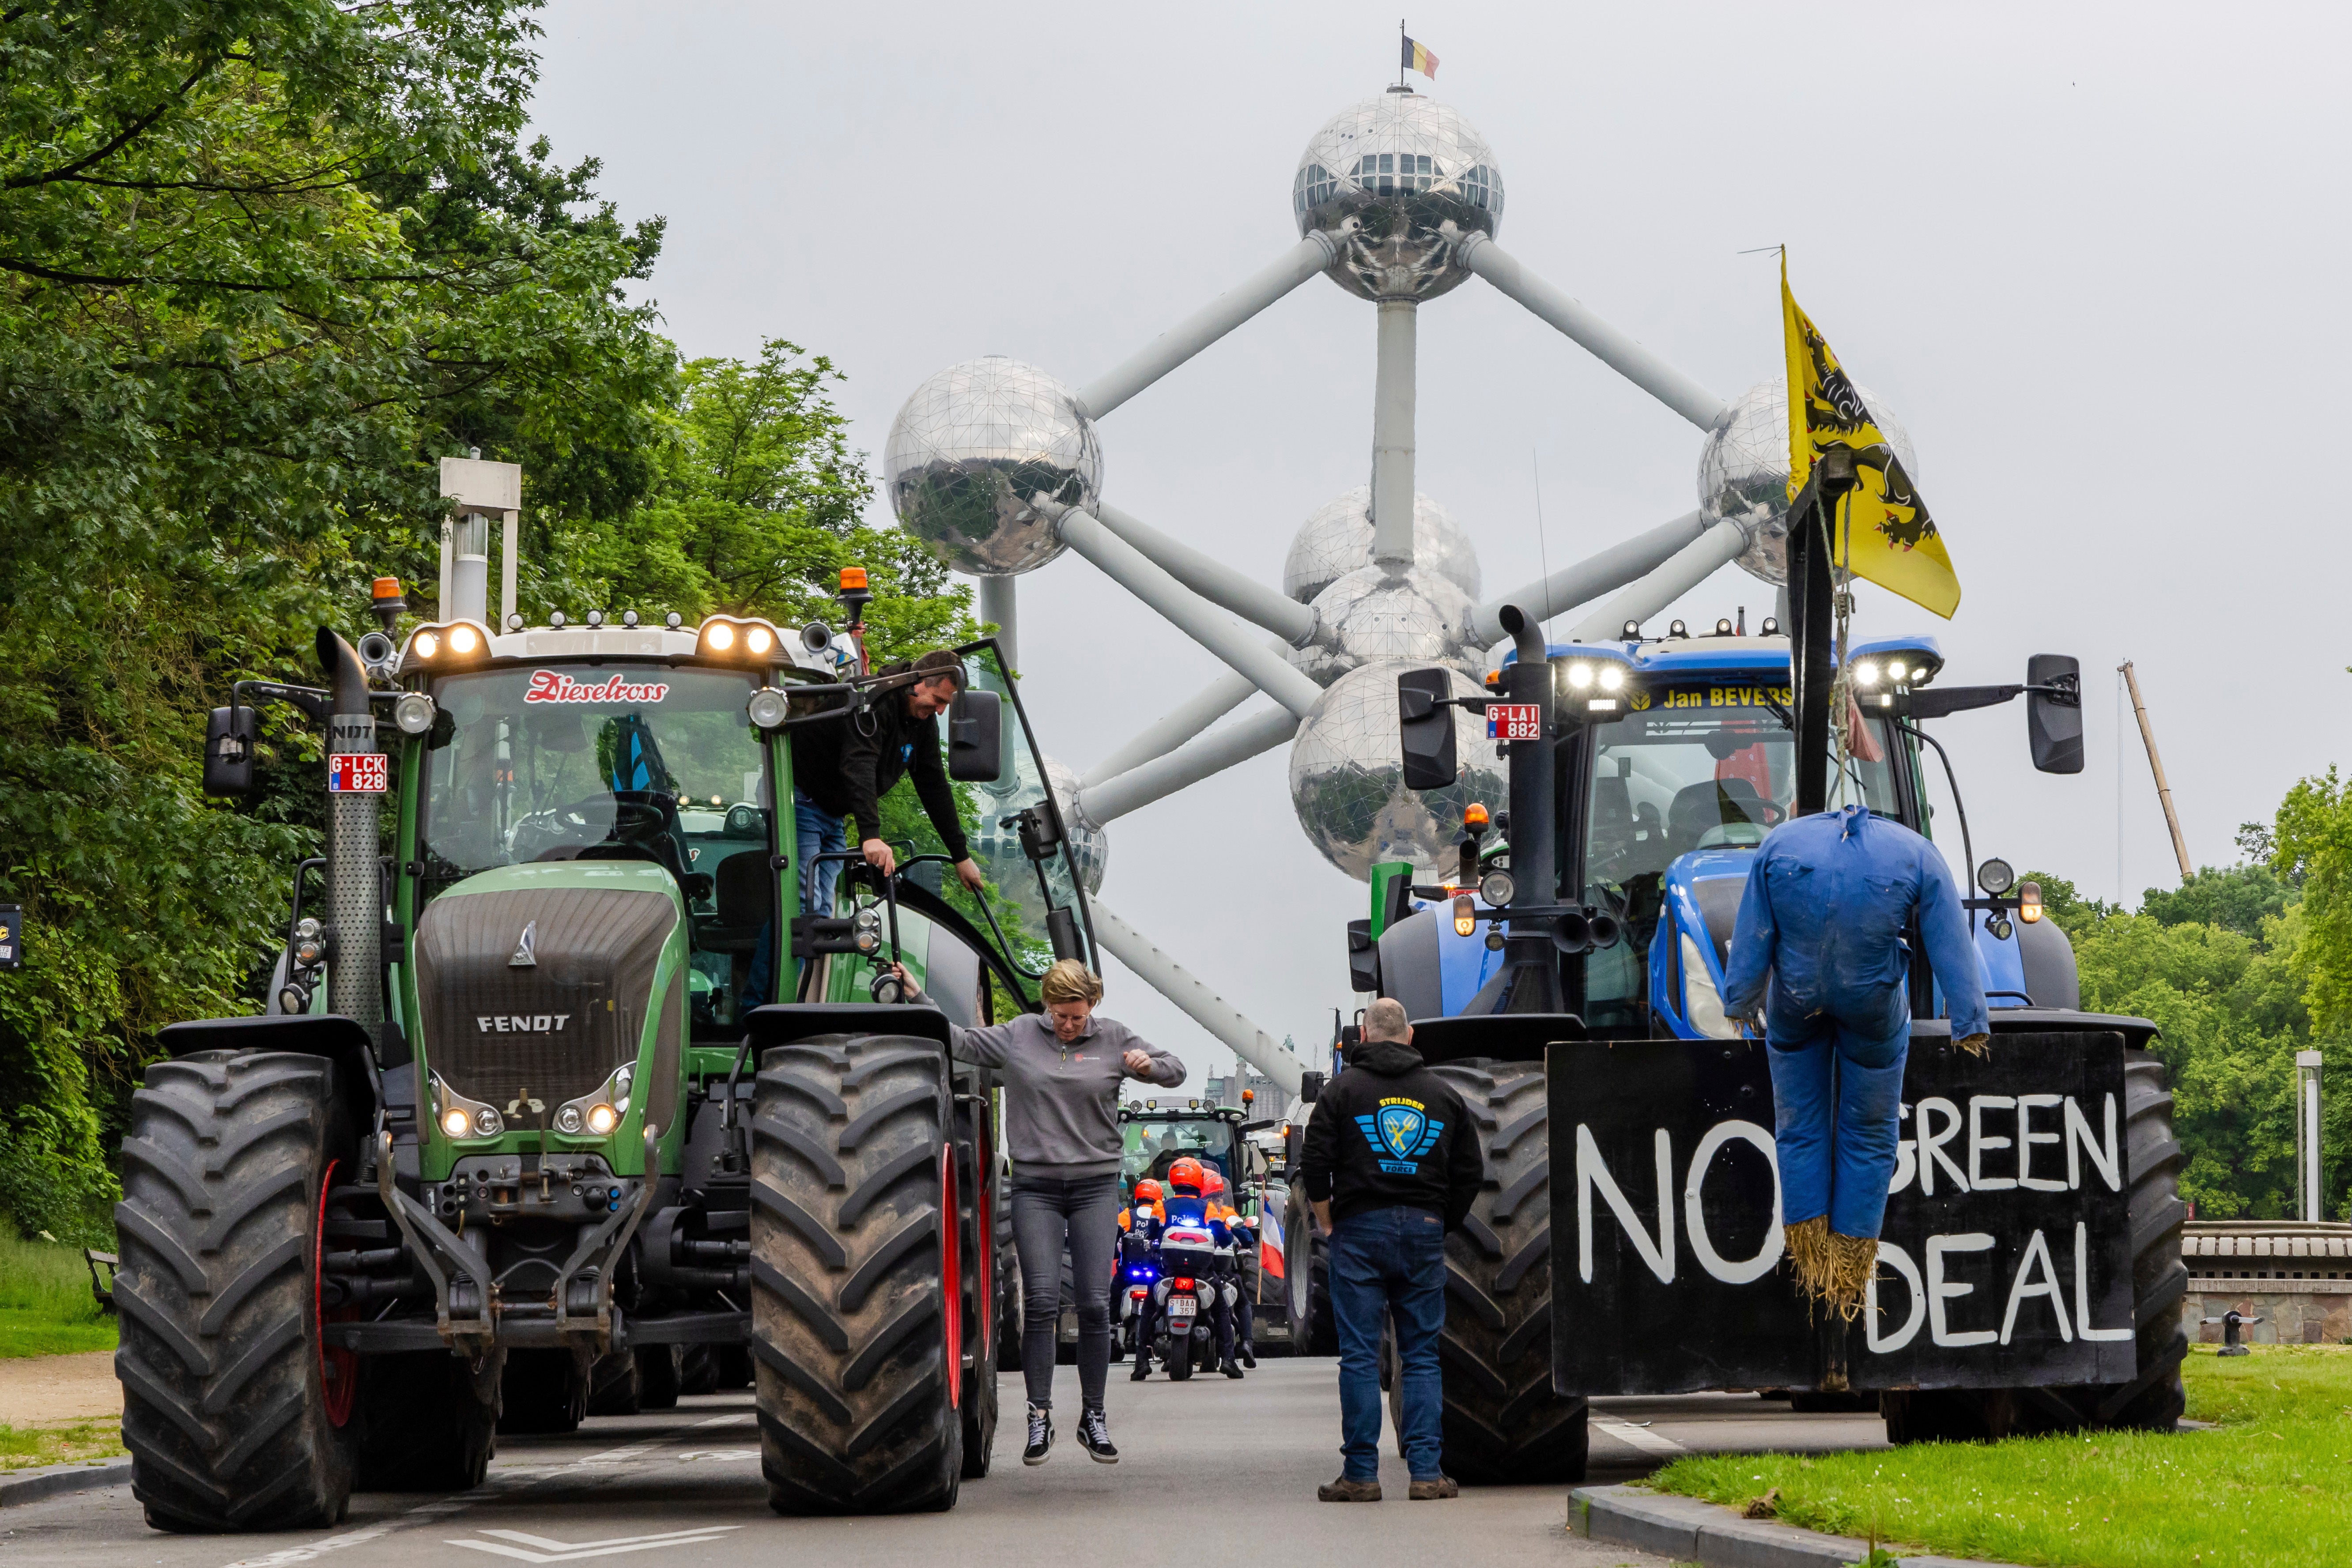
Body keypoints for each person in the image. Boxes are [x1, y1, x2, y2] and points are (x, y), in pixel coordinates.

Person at [892, 957, 1185, 1464]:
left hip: (1095, 1186)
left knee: (1094, 1303)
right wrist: (919, 995)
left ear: (1092, 1006)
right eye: (1057, 1013)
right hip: (1036, 1188)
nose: (1066, 1024)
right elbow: (959, 1040)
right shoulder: (1020, 1034)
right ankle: (1038, 1415)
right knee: (1043, 1300)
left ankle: (1093, 1415)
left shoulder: (1113, 1037)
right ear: (1046, 1003)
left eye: (1075, 1015)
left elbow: (1175, 1070)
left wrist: (1148, 1067)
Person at [1720, 800, 1989, 1315]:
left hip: (1795, 1001)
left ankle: (1808, 1253)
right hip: (1871, 1005)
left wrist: (1739, 1000)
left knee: (1798, 1125)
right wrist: (1969, 1022)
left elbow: (1755, 930)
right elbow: (1948, 938)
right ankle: (1847, 1266)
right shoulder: (1917, 852)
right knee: (1867, 1130)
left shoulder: (1778, 844)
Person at [1299, 997, 1482, 1502]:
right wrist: (1441, 1220)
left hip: (1357, 1229)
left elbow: (1313, 1161)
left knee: (1359, 1356)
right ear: (1410, 1035)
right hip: (1424, 1227)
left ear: (1363, 1033)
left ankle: (1360, 1474)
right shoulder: (1442, 1095)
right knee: (1421, 1355)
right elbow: (1469, 1170)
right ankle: (1426, 1472)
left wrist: (1325, 1220)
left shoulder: (1341, 1091)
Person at [788, 648, 986, 916]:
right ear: (917, 682)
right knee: (804, 909)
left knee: (823, 913)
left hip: (831, 814)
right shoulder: (870, 699)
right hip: (800, 801)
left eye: (946, 706)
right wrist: (871, 837)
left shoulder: (921, 721)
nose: (940, 711)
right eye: (938, 700)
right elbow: (860, 763)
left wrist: (960, 856)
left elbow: (934, 785)